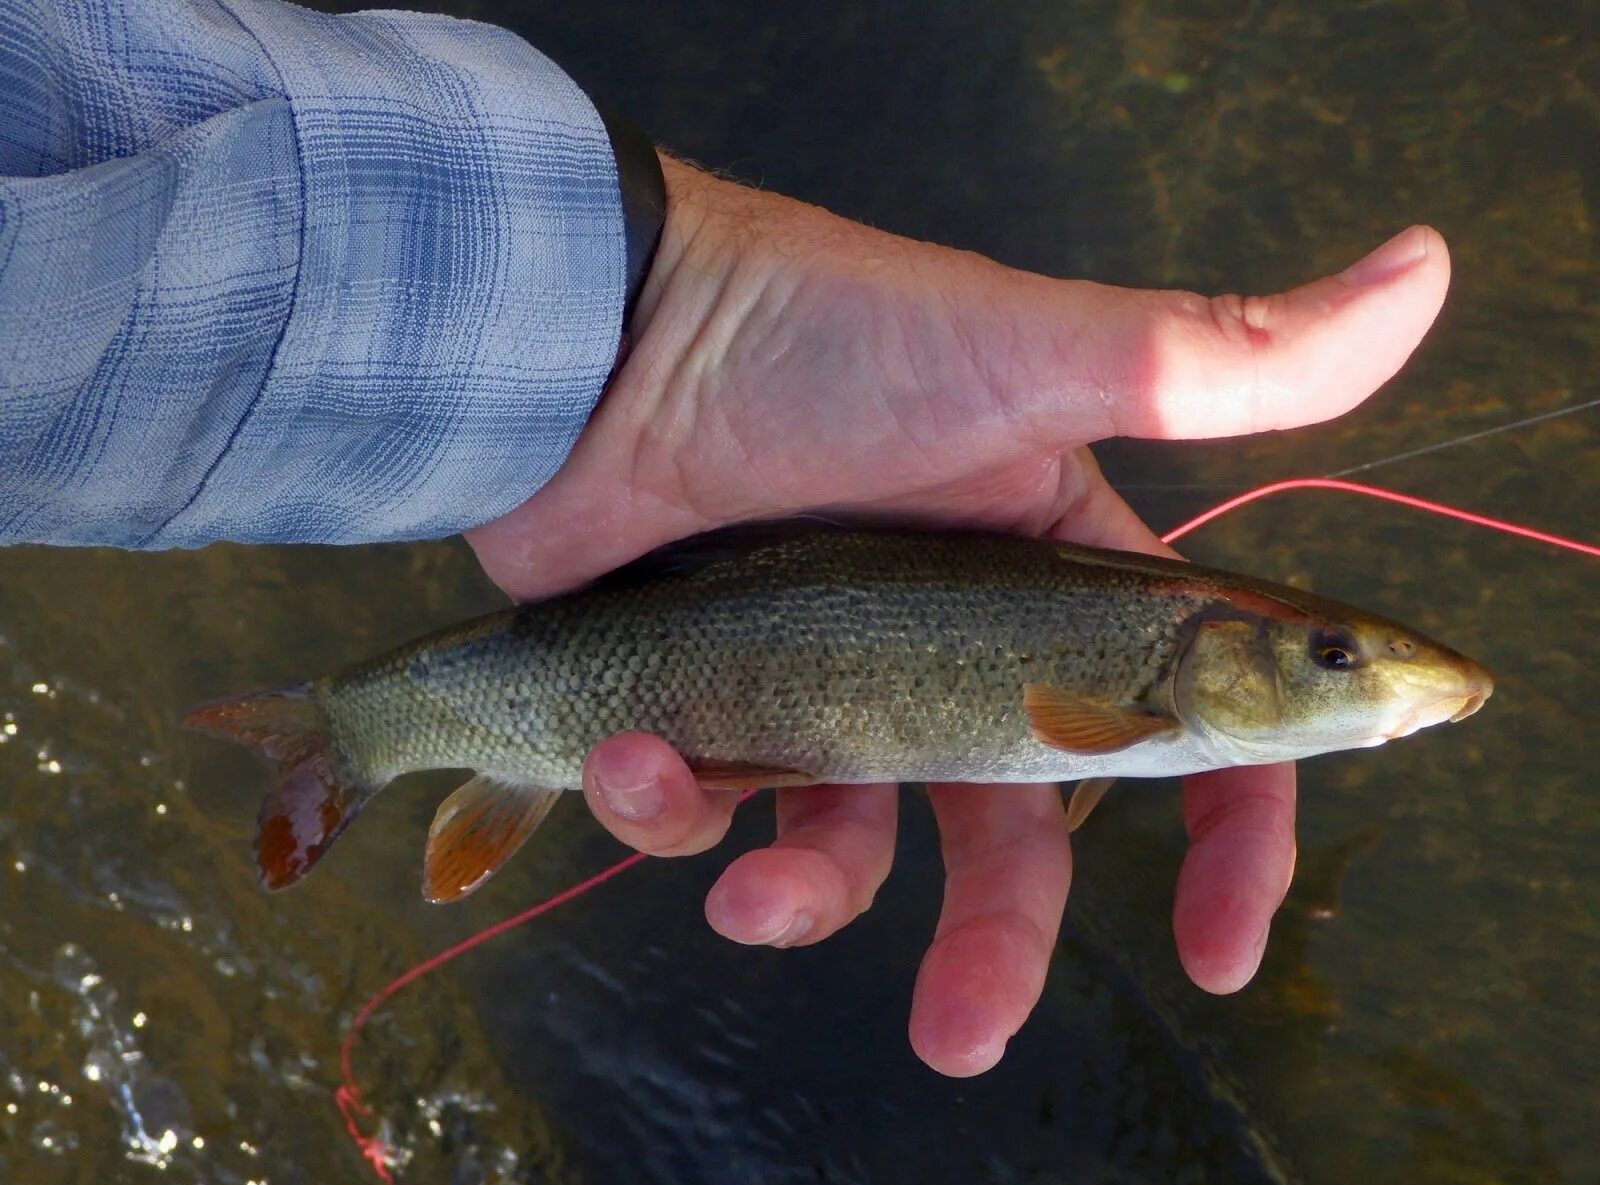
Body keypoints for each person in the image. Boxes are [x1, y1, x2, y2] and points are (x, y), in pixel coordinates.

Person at [0, 0, 1450, 1077]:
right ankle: (360, 730)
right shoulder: (1126, 692)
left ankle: (378, 731)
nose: (1364, 685)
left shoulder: (1132, 693)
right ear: (1226, 654)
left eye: (1343, 663)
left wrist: (672, 315)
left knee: (626, 772)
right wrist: (664, 319)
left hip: (666, 588)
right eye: (1335, 659)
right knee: (617, 769)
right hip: (681, 611)